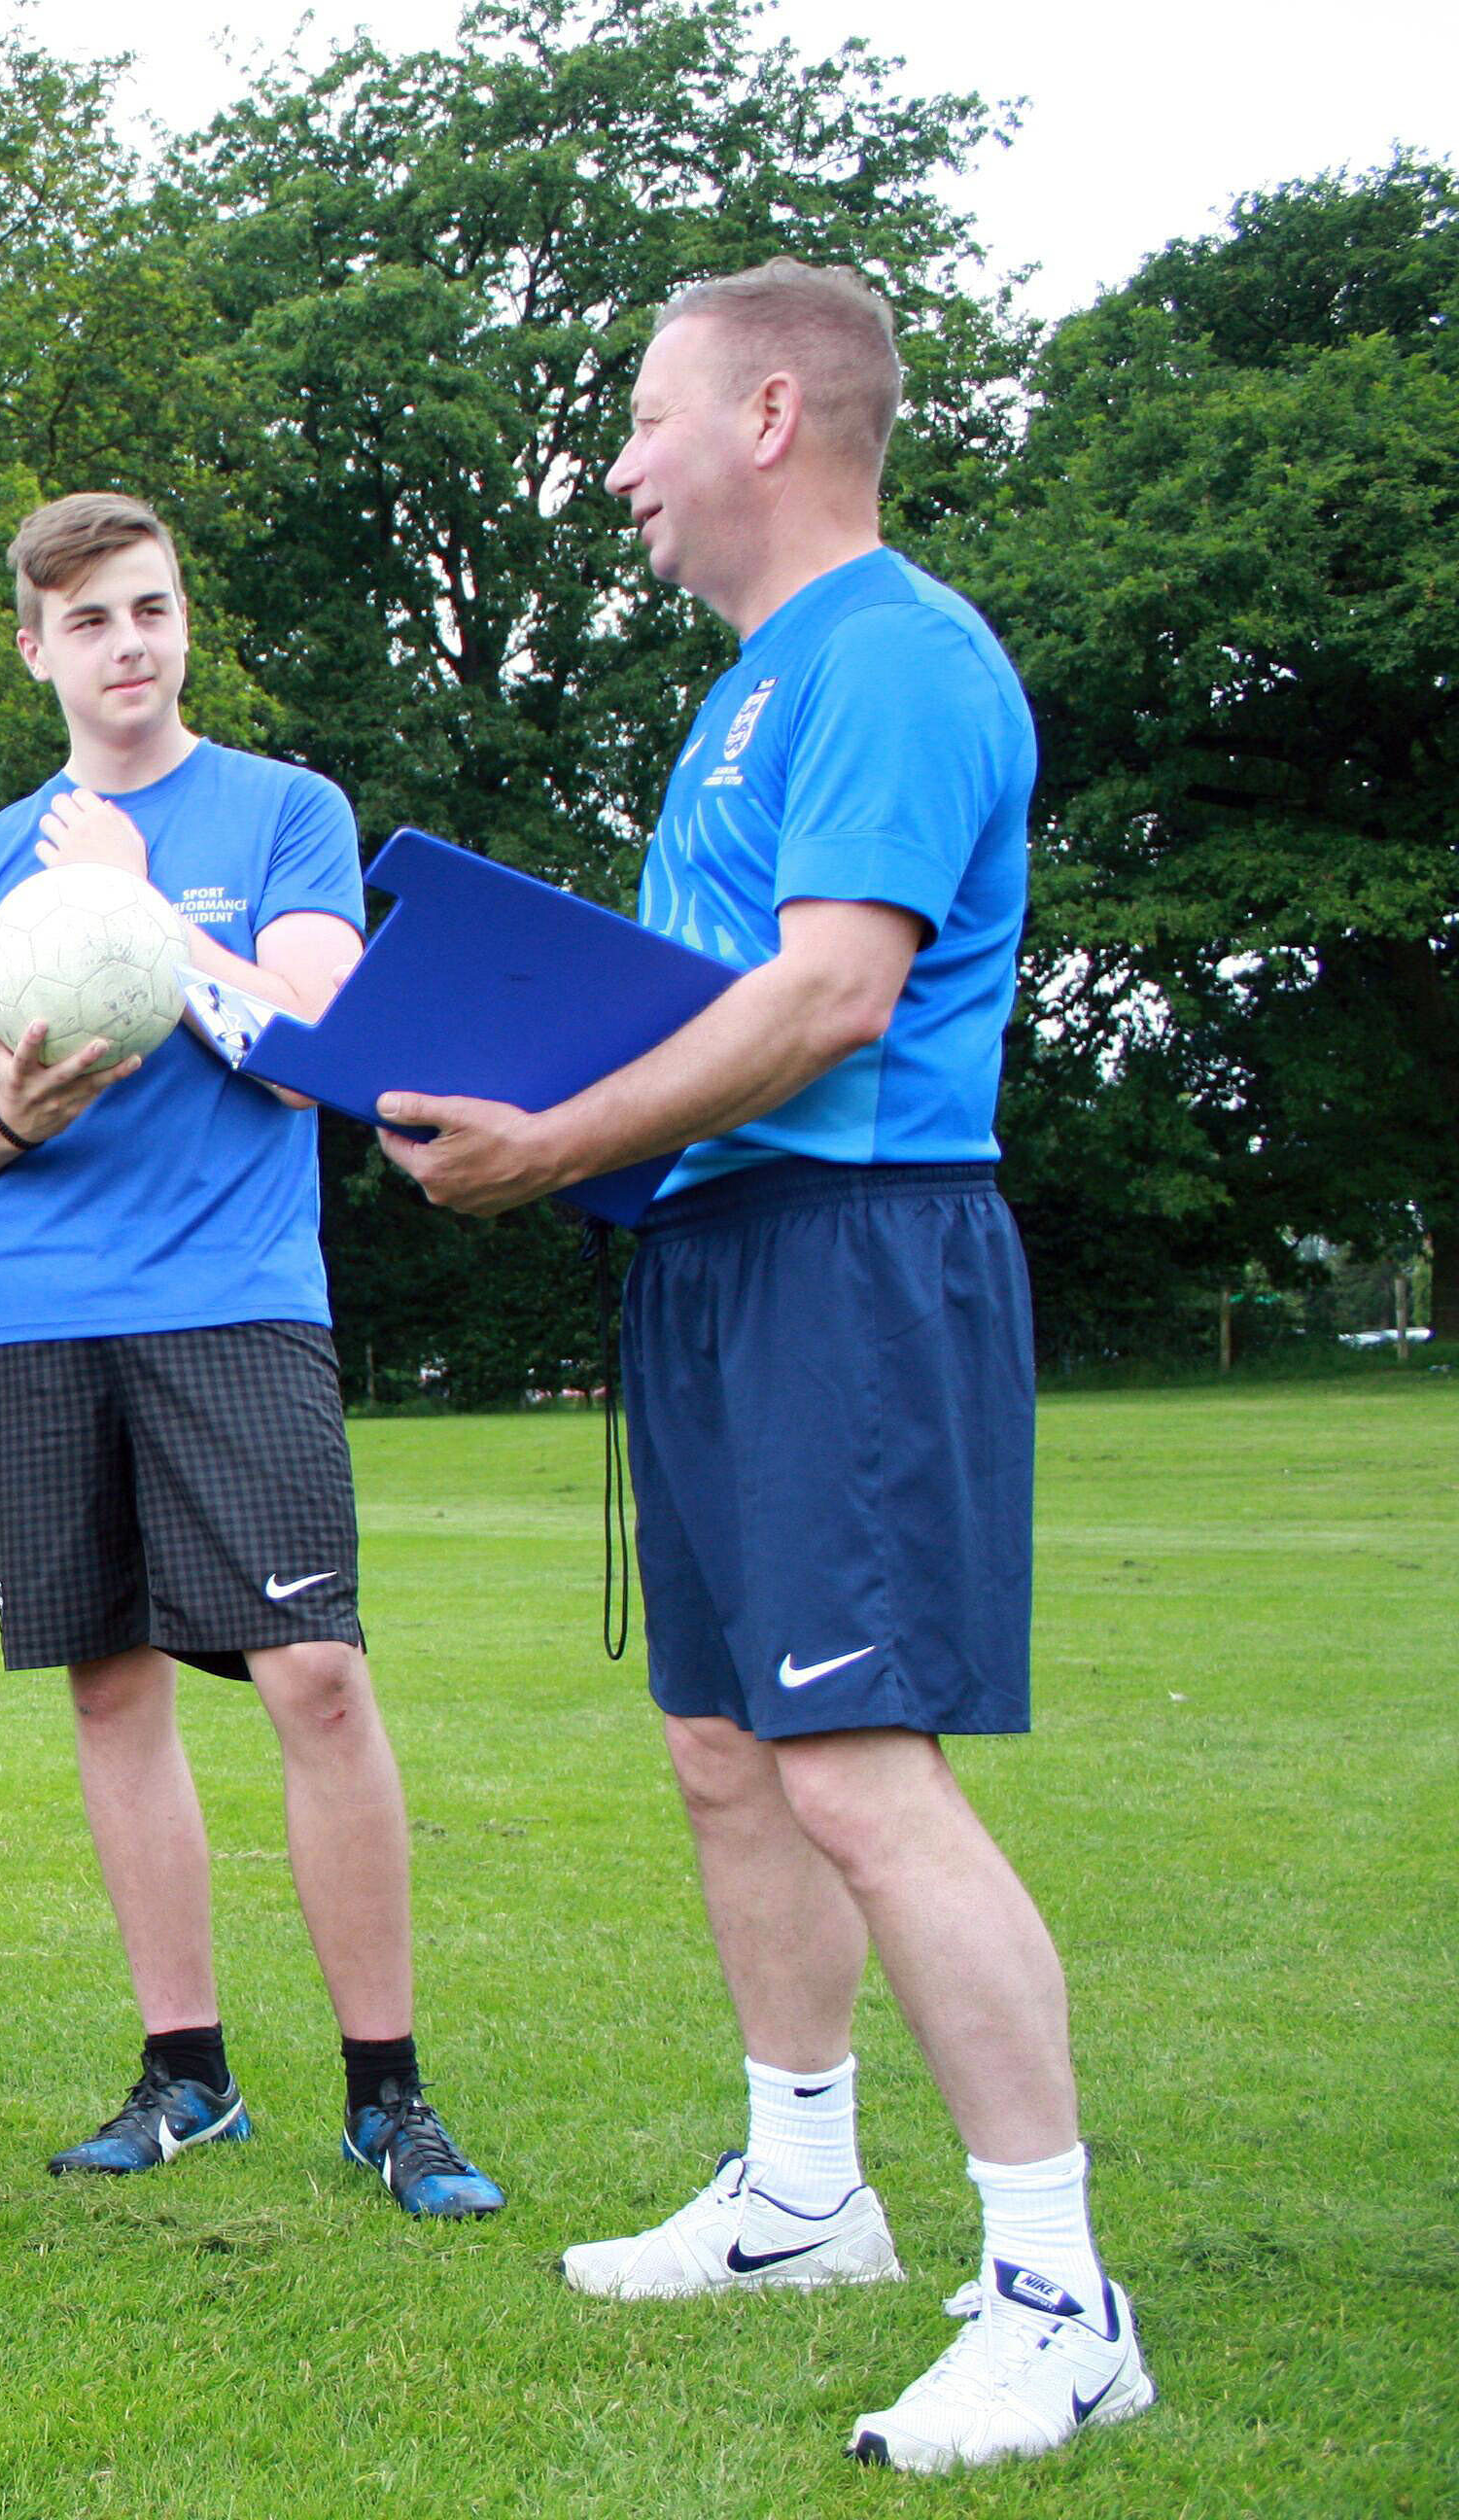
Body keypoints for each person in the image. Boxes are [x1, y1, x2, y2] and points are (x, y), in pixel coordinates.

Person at [379, 260, 1139, 2474]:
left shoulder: (895, 660)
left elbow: (827, 1003)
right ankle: (806, 2192)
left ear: (775, 414)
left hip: (849, 1251)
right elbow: (694, 998)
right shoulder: (751, 690)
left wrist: (553, 1141)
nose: (617, 462)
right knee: (729, 1748)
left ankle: (1059, 2295)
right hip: (718, 1254)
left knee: (861, 1773)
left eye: (642, 415)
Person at [0, 493, 505, 2219]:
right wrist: (9, 1116)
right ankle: (189, 2074)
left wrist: (146, 906)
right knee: (112, 1689)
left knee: (314, 1678)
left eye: (151, 610)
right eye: (89, 621)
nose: (129, 645)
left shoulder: (285, 810)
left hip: (236, 1298)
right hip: (42, 1311)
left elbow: (321, 1052)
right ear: (36, 649)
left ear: (183, 622)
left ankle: (389, 2098)